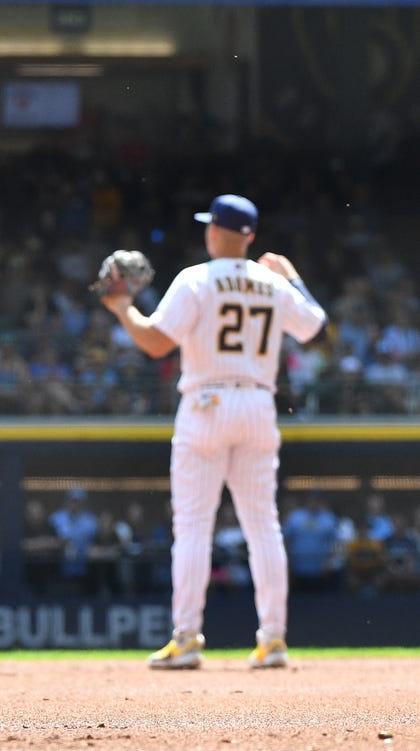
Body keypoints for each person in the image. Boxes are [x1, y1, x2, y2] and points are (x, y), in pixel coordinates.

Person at [97, 194, 326, 669]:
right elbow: (320, 332)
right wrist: (294, 279)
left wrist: (122, 308)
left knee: (194, 528)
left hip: (205, 403)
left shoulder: (196, 278)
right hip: (260, 403)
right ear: (251, 237)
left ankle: (186, 639)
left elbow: (157, 342)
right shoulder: (273, 283)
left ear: (216, 231)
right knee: (263, 525)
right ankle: (275, 639)